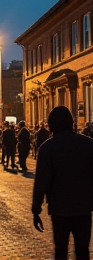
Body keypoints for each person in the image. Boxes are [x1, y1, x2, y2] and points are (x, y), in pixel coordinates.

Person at [32, 106, 93, 260]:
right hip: (83, 206)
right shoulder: (88, 144)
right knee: (83, 250)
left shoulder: (47, 148)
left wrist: (36, 209)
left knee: (60, 250)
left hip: (59, 208)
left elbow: (41, 182)